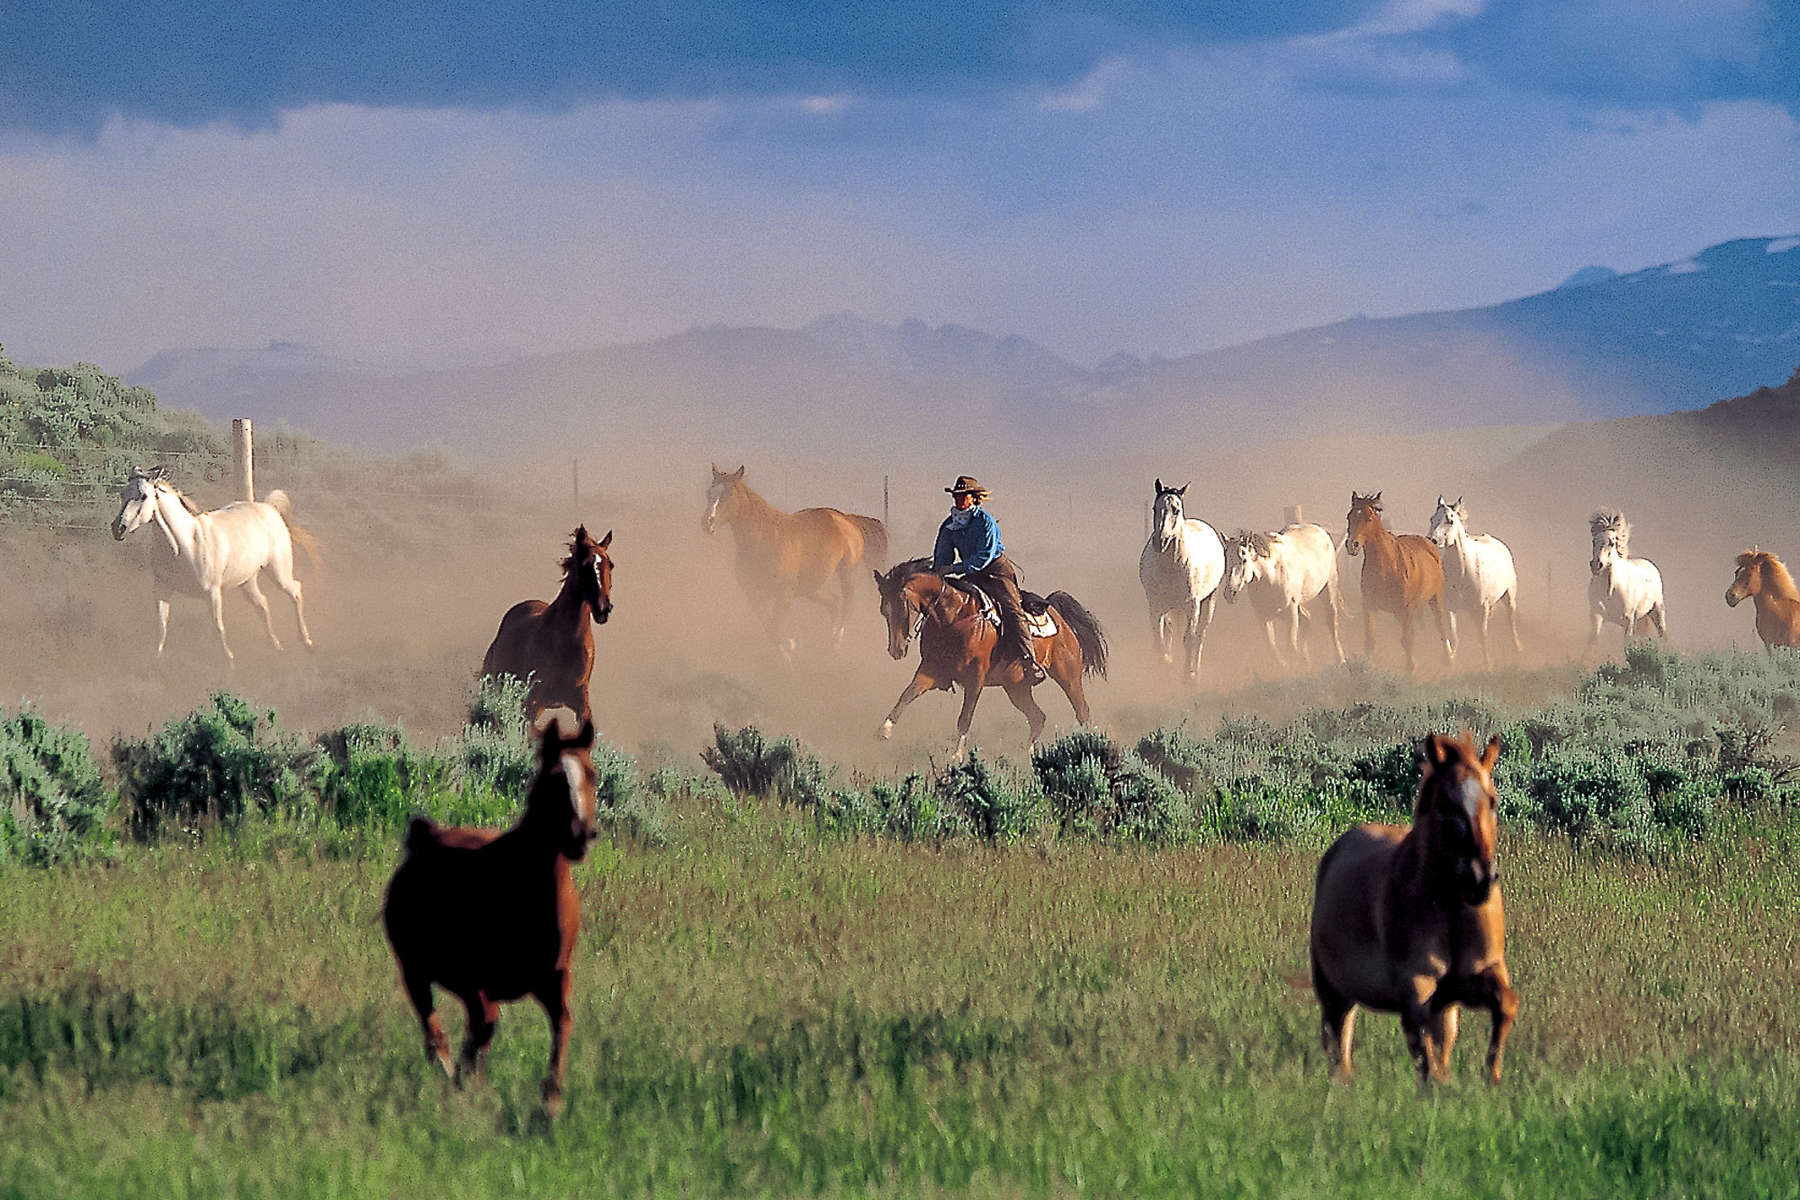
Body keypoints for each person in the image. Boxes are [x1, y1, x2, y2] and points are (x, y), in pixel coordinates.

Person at [932, 476, 1046, 683]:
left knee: (1012, 610)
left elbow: (983, 557)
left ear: (973, 497)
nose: (958, 500)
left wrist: (955, 568)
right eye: (955, 496)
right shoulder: (949, 525)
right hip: (972, 572)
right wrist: (938, 572)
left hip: (995, 571)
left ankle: (1029, 661)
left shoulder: (985, 522)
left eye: (962, 496)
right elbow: (943, 555)